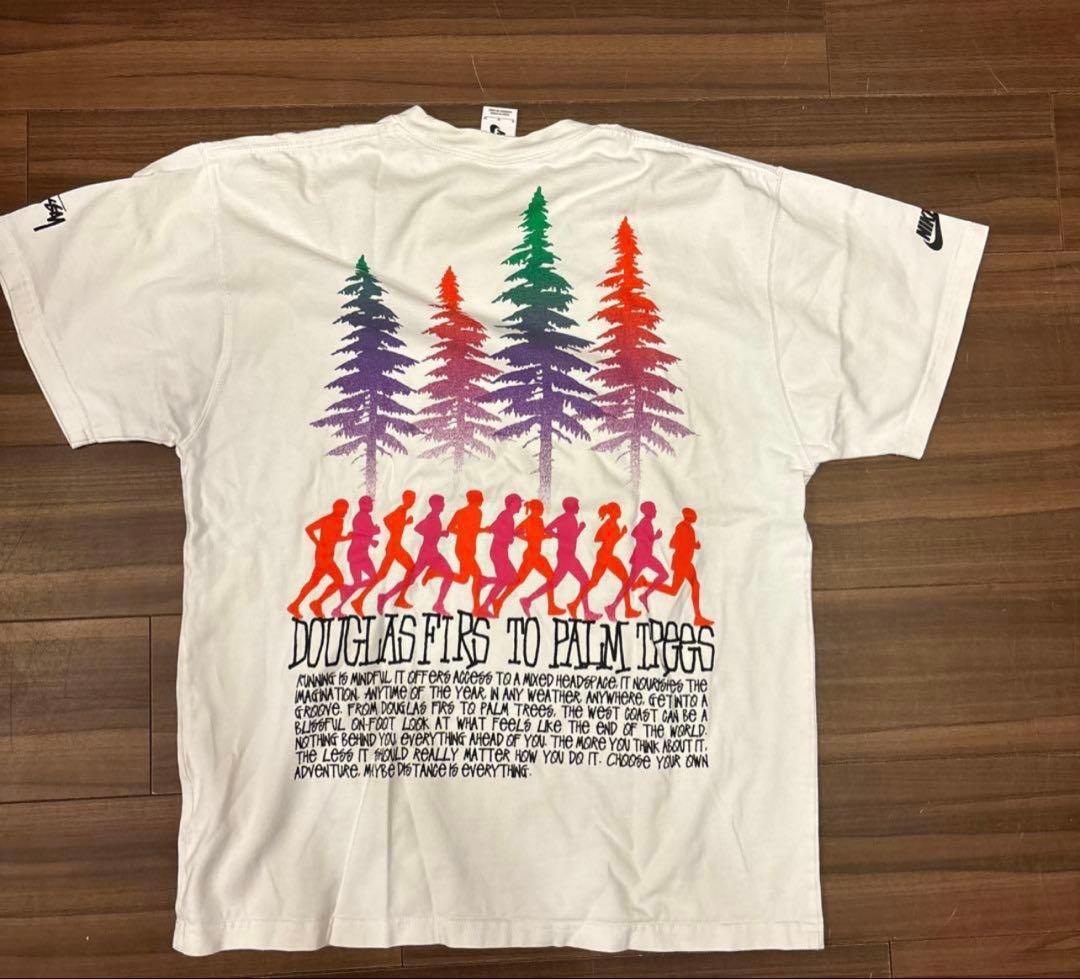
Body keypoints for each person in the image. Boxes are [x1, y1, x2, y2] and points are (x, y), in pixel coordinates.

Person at [521, 496, 597, 620]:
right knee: (584, 581)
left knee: (554, 583)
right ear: (572, 507)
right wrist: (560, 537)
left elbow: (571, 538)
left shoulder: (571, 518)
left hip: (568, 555)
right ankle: (582, 610)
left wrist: (579, 529)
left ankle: (528, 600)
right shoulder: (564, 518)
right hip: (566, 556)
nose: (579, 507)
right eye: (577, 505)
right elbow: (548, 529)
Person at [379, 494, 455, 615]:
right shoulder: (432, 517)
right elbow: (418, 528)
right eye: (442, 503)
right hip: (427, 554)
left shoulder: (434, 518)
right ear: (436, 505)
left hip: (431, 552)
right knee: (414, 578)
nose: (443, 505)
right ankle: (386, 597)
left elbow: (425, 530)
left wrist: (440, 534)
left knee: (413, 579)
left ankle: (387, 597)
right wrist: (436, 534)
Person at [641, 506, 713, 627]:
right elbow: (673, 544)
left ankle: (698, 617)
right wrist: (689, 545)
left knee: (691, 586)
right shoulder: (682, 527)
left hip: (686, 562)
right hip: (681, 562)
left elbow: (684, 543)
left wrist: (694, 545)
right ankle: (645, 583)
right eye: (692, 515)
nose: (695, 517)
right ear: (688, 517)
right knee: (675, 590)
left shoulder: (688, 528)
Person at [488, 498, 561, 616]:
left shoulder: (540, 521)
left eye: (542, 509)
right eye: (540, 509)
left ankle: (548, 606)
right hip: (531, 555)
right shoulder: (529, 520)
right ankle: (504, 601)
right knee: (519, 581)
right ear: (534, 510)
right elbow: (516, 532)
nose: (542, 510)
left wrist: (546, 536)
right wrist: (528, 539)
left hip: (537, 555)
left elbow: (539, 535)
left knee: (548, 579)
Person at [569, 501, 640, 620]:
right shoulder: (609, 523)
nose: (620, 512)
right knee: (625, 581)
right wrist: (619, 535)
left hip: (605, 555)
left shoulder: (612, 523)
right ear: (613, 513)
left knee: (594, 582)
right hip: (605, 556)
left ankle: (574, 604)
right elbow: (599, 538)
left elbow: (606, 540)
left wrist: (618, 535)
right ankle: (617, 608)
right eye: (617, 510)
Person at [605, 501, 669, 622]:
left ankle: (644, 595)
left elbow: (639, 535)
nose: (655, 511)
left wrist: (652, 537)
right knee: (629, 583)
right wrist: (653, 537)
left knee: (663, 575)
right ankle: (612, 607)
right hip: (641, 557)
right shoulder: (644, 522)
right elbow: (635, 533)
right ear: (648, 511)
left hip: (647, 556)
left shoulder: (647, 522)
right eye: (653, 509)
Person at [286, 499, 349, 619]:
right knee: (338, 580)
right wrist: (317, 542)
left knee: (314, 582)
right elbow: (309, 528)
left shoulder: (339, 521)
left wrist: (347, 537)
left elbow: (335, 538)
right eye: (344, 510)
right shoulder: (328, 519)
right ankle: (316, 603)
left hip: (328, 556)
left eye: (346, 510)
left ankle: (296, 605)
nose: (345, 512)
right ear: (336, 508)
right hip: (323, 556)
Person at [358, 489, 416, 611]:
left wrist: (404, 523)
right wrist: (393, 530)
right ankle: (398, 599)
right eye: (411, 499)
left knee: (382, 575)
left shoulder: (403, 511)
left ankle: (360, 599)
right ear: (405, 499)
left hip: (394, 546)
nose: (412, 502)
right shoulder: (401, 509)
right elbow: (386, 519)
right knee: (411, 569)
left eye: (413, 499)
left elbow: (393, 522)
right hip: (394, 546)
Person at [325, 495, 381, 617]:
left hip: (359, 554)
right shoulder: (362, 517)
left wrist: (372, 538)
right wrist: (374, 532)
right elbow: (363, 532)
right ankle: (348, 591)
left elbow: (362, 533)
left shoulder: (364, 517)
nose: (372, 506)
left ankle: (338, 608)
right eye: (370, 504)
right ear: (363, 505)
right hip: (358, 555)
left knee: (362, 582)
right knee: (373, 579)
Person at [444, 489, 494, 616]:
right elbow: (452, 528)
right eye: (481, 499)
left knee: (463, 578)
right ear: (477, 500)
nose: (482, 501)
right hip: (463, 549)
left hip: (469, 549)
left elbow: (471, 529)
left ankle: (436, 573)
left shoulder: (470, 512)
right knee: (478, 576)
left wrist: (481, 530)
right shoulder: (474, 513)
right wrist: (468, 532)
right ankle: (476, 608)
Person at [479, 493, 522, 617]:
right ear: (512, 504)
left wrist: (514, 534)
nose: (520, 505)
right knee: (510, 579)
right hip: (498, 552)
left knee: (510, 580)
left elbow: (500, 530)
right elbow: (495, 529)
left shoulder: (508, 517)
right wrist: (509, 538)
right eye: (518, 503)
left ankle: (485, 588)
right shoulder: (506, 516)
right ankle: (485, 583)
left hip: (501, 552)